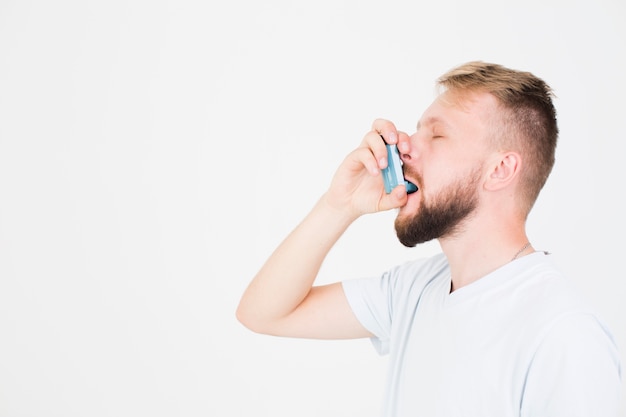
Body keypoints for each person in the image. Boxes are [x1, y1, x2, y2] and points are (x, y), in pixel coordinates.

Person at [236, 61, 622, 416]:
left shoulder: (565, 336)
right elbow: (264, 312)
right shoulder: (414, 290)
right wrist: (340, 206)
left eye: (437, 135)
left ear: (501, 169)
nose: (405, 148)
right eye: (417, 129)